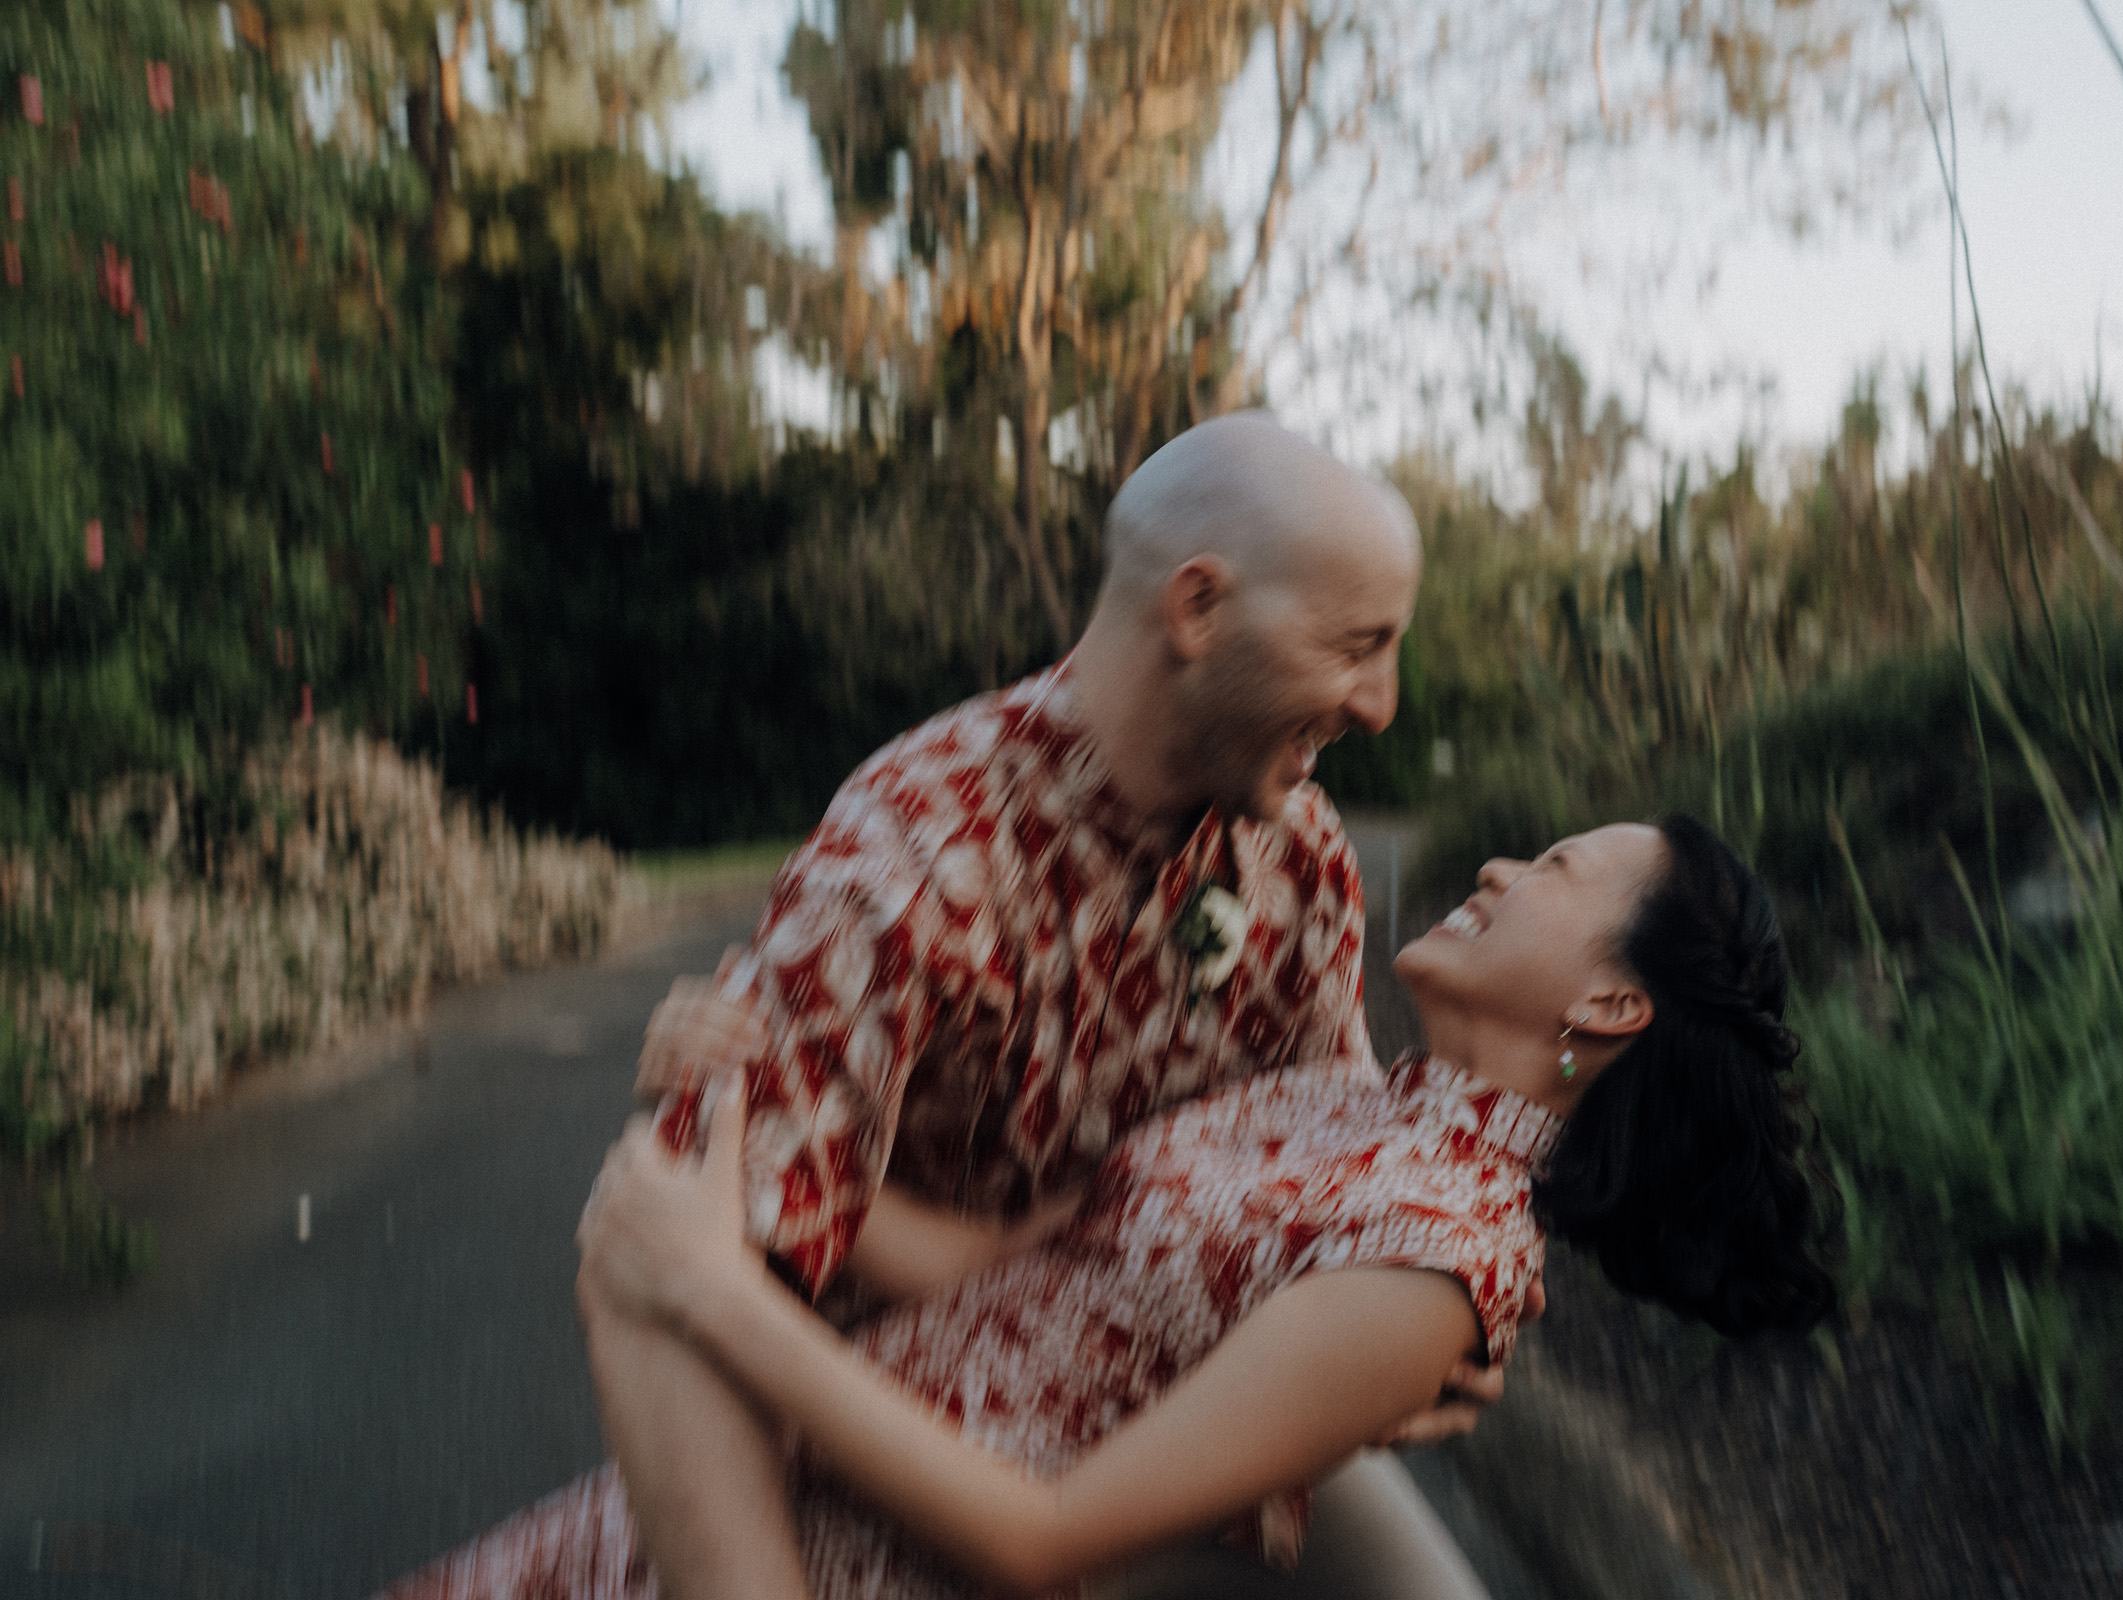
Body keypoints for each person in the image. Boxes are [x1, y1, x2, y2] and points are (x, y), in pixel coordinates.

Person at [500, 411, 1499, 1599]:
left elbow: (1318, 1189)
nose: (1382, 701)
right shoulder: (912, 856)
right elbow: (659, 1276)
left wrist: (1402, 1317)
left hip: (1156, 1407)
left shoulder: (1304, 864)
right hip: (894, 1430)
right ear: (1195, 608)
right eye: (1357, 644)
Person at [384, 814, 1836, 1599]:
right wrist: (749, 1107)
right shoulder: (1345, 1101)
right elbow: (999, 1265)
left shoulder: (1445, 1259)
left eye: (1561, 869)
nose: (1504, 866)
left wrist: (709, 1296)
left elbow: (1047, 1539)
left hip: (875, 1562)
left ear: (1608, 999)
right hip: (783, 1457)